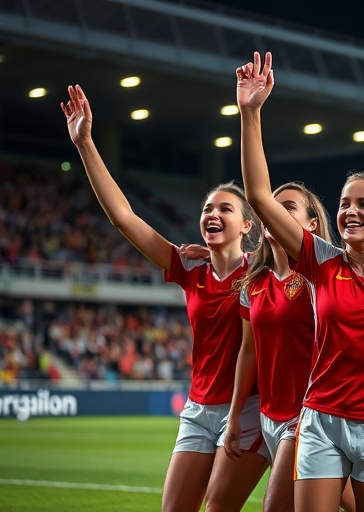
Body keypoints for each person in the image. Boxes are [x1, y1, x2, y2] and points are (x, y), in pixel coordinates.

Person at [62, 85, 269, 512]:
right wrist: (84, 144)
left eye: (225, 209)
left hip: (249, 408)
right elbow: (124, 219)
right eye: (207, 208)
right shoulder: (189, 267)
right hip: (198, 408)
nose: (212, 214)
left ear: (248, 225)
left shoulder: (265, 269)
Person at [237, 51, 364, 512]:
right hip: (320, 418)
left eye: (363, 204)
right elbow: (259, 196)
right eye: (343, 203)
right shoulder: (321, 260)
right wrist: (251, 113)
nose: (349, 212)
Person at [218, 181, 356, 512]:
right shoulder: (253, 283)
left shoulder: (319, 276)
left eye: (287, 207)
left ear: (311, 226)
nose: (273, 212)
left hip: (308, 416)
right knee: (218, 503)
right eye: (270, 206)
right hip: (265, 416)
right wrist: (235, 415)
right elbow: (248, 351)